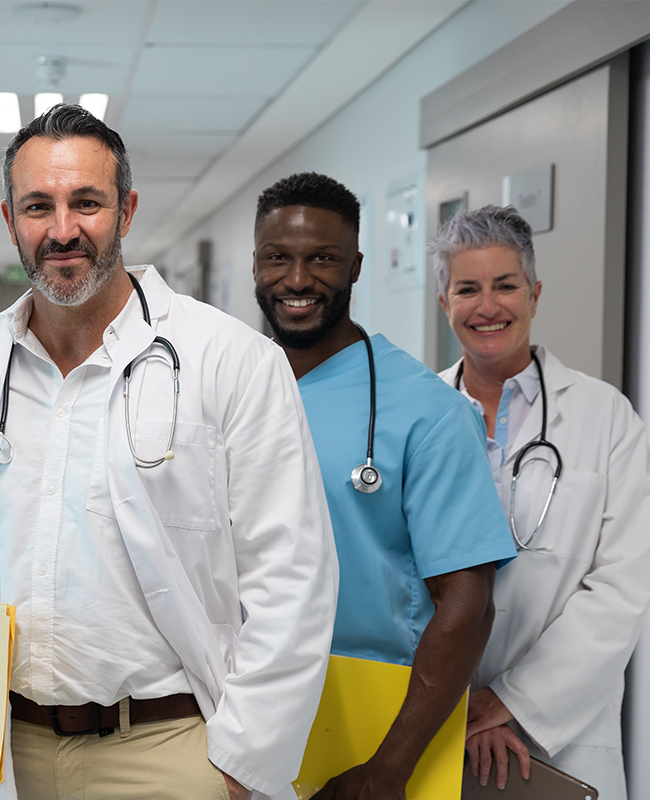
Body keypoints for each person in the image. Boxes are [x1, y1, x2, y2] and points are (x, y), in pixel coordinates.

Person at [0, 104, 338, 800]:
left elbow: (293, 577)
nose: (62, 230)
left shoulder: (232, 361)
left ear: (125, 212)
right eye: (38, 206)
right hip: (4, 751)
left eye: (86, 203)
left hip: (175, 748)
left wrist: (243, 763)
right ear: (10, 222)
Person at [252, 174, 516, 800]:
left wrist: (387, 768)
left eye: (322, 258)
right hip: (233, 714)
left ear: (357, 266)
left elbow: (468, 604)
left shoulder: (426, 411)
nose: (296, 280)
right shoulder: (224, 388)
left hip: (375, 721)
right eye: (277, 258)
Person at [433, 205, 650, 800]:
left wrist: (511, 702)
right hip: (436, 722)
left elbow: (622, 586)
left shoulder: (605, 418)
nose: (488, 306)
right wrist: (457, 704)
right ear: (443, 303)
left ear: (534, 294)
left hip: (562, 732)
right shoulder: (420, 414)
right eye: (467, 289)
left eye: (505, 286)